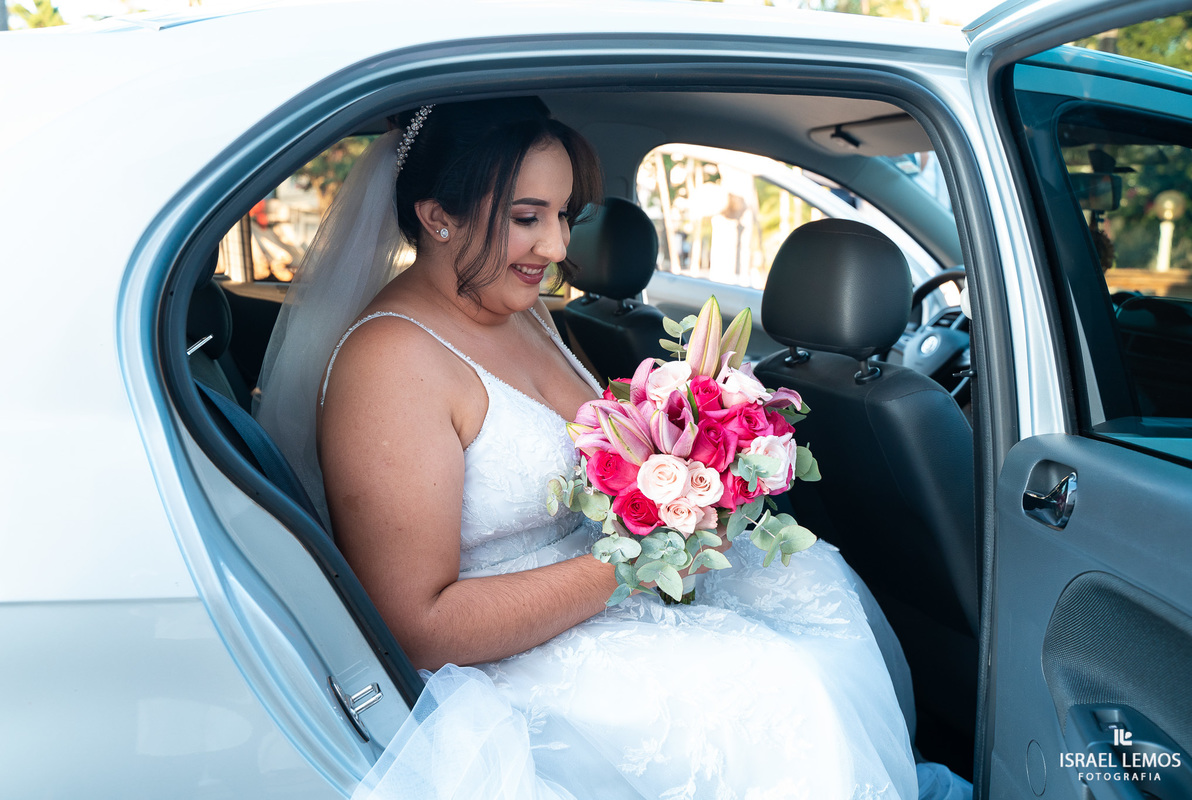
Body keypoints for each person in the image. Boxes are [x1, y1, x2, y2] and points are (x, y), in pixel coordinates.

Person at [256, 98, 970, 799]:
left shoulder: (524, 310)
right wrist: (641, 555)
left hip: (598, 583)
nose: (559, 248)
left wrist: (698, 455)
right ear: (438, 216)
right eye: (527, 219)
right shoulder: (390, 362)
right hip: (503, 659)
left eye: (564, 216)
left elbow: (612, 450)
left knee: (813, 591)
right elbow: (419, 628)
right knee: (781, 686)